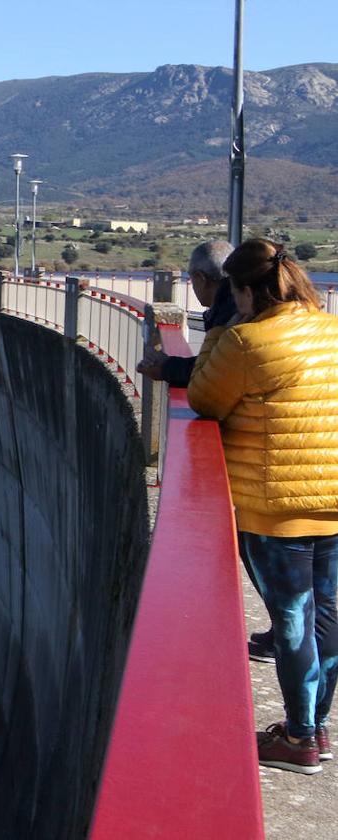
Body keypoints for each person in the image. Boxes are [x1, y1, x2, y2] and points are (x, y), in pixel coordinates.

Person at [188, 239, 338, 775]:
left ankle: (300, 740)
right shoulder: (331, 329)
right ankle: (314, 727)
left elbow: (205, 398)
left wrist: (216, 331)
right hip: (333, 500)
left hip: (276, 508)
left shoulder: (245, 341)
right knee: (325, 616)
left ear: (246, 289)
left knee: (292, 622)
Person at [137, 241, 277, 662]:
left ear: (201, 279)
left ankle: (304, 721)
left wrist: (166, 369)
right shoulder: (312, 329)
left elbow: (209, 384)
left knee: (277, 576)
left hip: (265, 472)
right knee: (314, 590)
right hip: (315, 473)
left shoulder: (235, 325)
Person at [137, 240, 234, 387]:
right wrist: (169, 364)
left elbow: (216, 371)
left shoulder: (231, 314)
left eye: (192, 278)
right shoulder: (236, 302)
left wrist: (165, 369)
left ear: (201, 278)